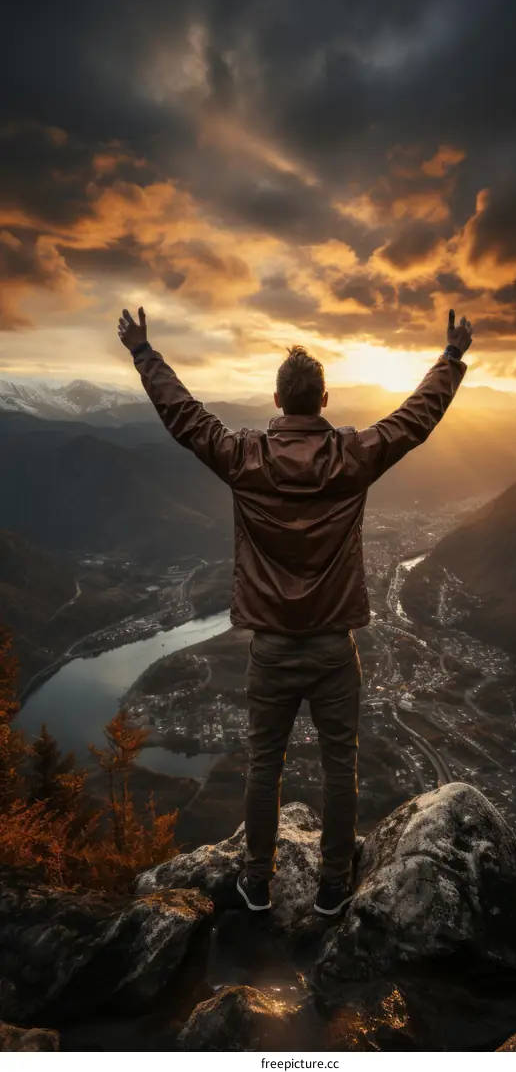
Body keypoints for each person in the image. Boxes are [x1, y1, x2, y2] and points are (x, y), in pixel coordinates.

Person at [118, 307, 472, 916]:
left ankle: (257, 882)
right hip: (334, 647)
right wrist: (451, 358)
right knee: (340, 767)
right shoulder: (352, 456)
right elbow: (415, 419)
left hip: (272, 648)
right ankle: (334, 886)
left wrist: (143, 352)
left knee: (264, 766)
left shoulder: (244, 456)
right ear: (323, 399)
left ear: (278, 399)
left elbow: (184, 416)